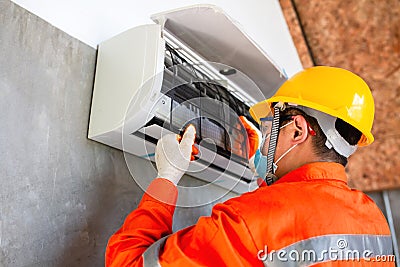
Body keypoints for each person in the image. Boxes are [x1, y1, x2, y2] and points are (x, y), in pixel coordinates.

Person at [105, 66, 395, 266]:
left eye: (269, 129)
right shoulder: (374, 221)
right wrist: (272, 187)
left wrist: (166, 178)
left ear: (296, 131)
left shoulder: (251, 220)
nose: (264, 139)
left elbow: (127, 263)